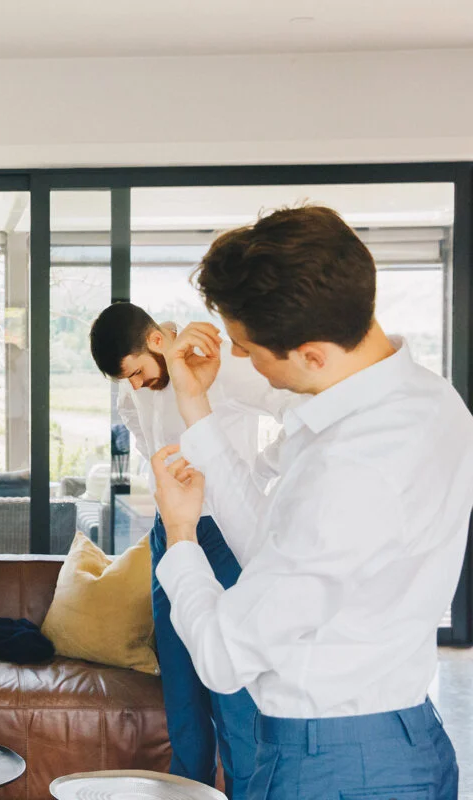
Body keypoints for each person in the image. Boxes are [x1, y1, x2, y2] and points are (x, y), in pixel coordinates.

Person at [150, 205, 473, 800]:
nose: (240, 359)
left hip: (333, 765)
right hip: (397, 739)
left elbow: (223, 656)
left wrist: (180, 535)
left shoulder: (352, 466)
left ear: (312, 354)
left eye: (247, 347)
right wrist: (195, 405)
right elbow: (276, 546)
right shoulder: (427, 400)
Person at [89, 302, 296, 797]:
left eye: (136, 372)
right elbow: (133, 417)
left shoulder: (219, 366)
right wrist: (159, 464)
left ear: (157, 341)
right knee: (181, 688)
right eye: (126, 379)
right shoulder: (135, 386)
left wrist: (258, 470)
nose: (134, 385)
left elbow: (297, 413)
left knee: (233, 689)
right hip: (170, 533)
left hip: (224, 534)